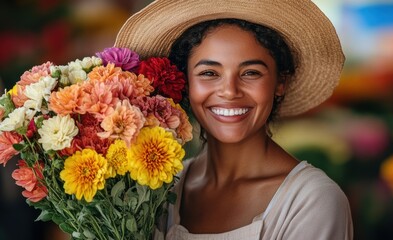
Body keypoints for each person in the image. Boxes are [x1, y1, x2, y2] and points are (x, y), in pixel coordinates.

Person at [115, 1, 353, 239]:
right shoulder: (161, 190)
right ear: (185, 83)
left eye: (251, 73)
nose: (229, 91)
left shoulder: (311, 201)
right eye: (209, 73)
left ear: (281, 83)